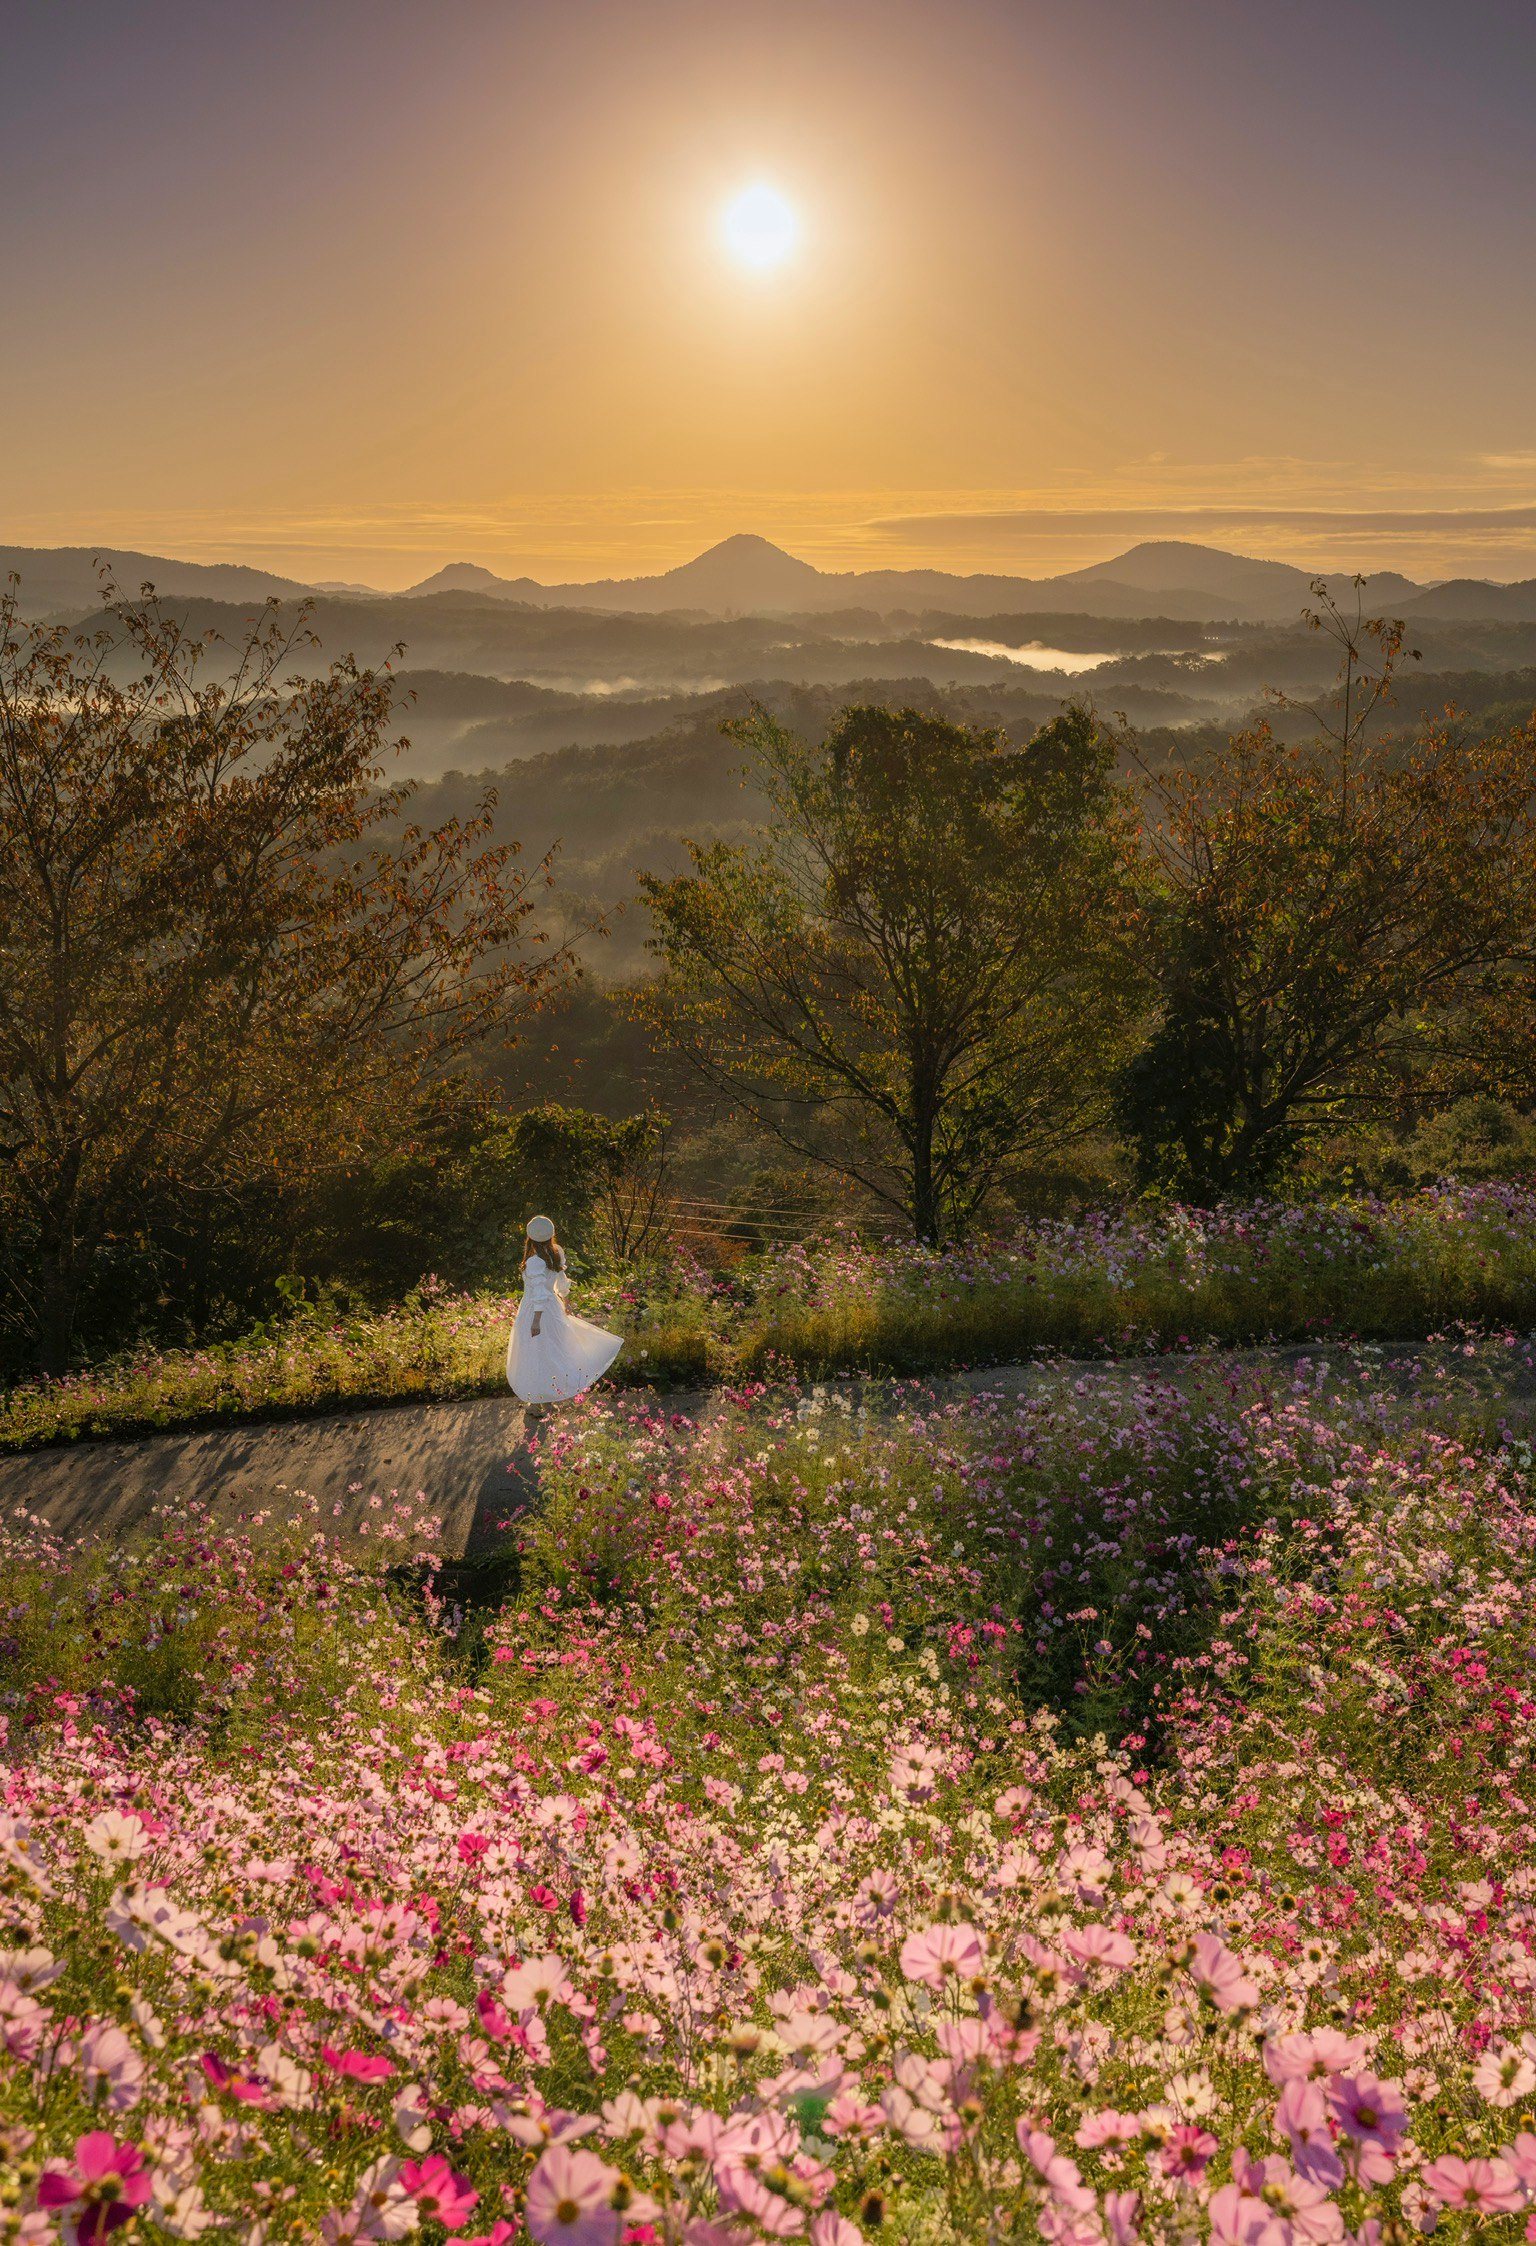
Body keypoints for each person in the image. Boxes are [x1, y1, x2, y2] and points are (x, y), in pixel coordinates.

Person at [506, 1216, 622, 1405]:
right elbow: (560, 1281)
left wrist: (536, 1321)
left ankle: (537, 1403)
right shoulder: (555, 1252)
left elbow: (539, 1294)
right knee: (551, 1354)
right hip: (552, 1309)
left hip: (536, 1311)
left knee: (535, 1356)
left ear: (530, 1237)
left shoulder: (535, 1261)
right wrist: (565, 1301)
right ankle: (547, 1398)